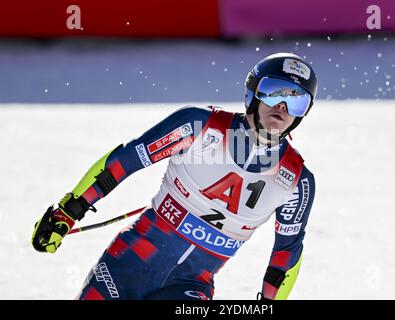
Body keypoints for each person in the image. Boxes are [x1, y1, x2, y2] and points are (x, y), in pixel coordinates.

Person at [31, 52, 317, 300]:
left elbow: (286, 254)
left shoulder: (296, 180)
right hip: (130, 264)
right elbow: (124, 162)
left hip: (190, 286)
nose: (282, 107)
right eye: (274, 92)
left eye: (296, 101)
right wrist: (67, 213)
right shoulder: (199, 125)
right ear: (252, 94)